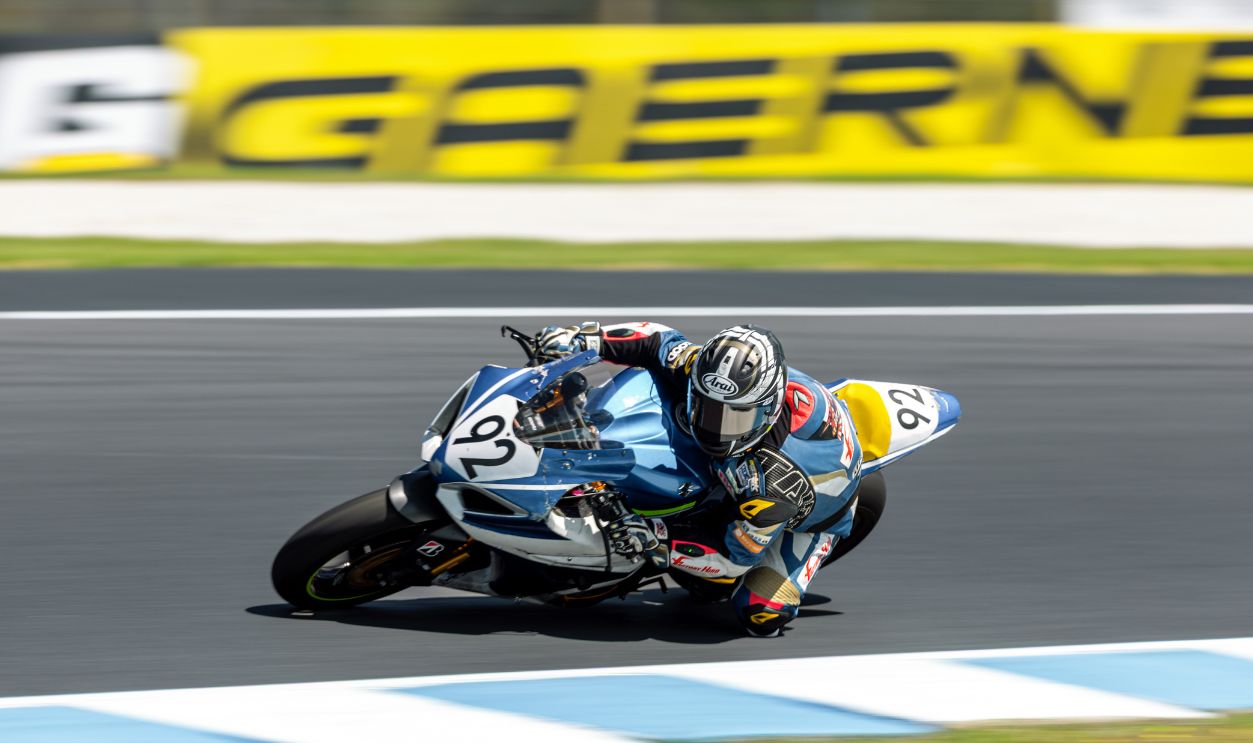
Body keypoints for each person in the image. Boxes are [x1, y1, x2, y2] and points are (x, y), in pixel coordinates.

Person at [534, 321, 884, 637]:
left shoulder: (774, 485)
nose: (714, 427)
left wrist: (658, 541)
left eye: (733, 418)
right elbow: (658, 340)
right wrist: (586, 340)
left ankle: (804, 556)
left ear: (767, 411)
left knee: (759, 615)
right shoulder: (714, 375)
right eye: (705, 406)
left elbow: (732, 560)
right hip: (772, 453)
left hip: (808, 511)